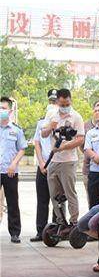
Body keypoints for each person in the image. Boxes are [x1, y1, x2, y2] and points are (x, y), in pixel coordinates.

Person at [41, 88, 86, 228]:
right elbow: (43, 134)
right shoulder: (51, 114)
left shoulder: (76, 117)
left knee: (69, 192)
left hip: (69, 161)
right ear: (57, 103)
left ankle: (74, 222)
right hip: (53, 161)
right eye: (62, 104)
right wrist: (50, 127)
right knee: (54, 194)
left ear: (70, 100)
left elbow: (80, 139)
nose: (65, 107)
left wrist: (64, 147)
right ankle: (60, 222)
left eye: (67, 104)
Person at [0, 97, 27, 243]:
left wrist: (13, 164)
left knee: (12, 202)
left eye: (3, 108)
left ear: (10, 111)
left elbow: (22, 148)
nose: (1, 111)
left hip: (10, 171)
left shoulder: (16, 130)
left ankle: (15, 232)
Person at [31, 92, 57, 242]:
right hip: (42, 165)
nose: (52, 104)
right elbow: (37, 143)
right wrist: (41, 163)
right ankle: (40, 231)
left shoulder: (62, 122)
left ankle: (55, 230)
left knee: (57, 200)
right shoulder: (41, 123)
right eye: (51, 101)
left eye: (55, 101)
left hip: (57, 165)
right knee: (42, 200)